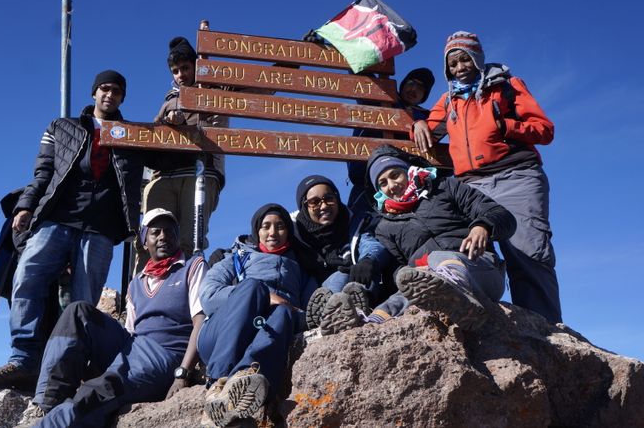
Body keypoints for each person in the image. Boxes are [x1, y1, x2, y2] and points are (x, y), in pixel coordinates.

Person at [0, 70, 147, 391]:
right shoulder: (62, 126)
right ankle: (24, 359)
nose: (109, 95)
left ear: (123, 98)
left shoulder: (131, 135)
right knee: (27, 278)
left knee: (81, 303)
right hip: (57, 218)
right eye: (104, 89)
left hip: (100, 229)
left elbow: (165, 156)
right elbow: (43, 169)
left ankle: (65, 369)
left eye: (116, 91)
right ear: (94, 93)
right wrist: (26, 205)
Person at [412, 31, 561, 323]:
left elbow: (545, 129)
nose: (459, 68)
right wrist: (418, 123)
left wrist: (504, 126)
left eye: (464, 59)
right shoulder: (448, 100)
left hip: (516, 176)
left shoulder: (507, 86)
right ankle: (485, 322)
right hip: (472, 186)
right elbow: (429, 129)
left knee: (527, 253)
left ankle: (544, 330)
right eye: (452, 64)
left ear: (477, 58)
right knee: (472, 253)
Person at [15, 209, 206, 427]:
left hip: (163, 354)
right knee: (78, 312)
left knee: (99, 390)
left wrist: (182, 373)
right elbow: (130, 332)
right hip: (133, 346)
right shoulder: (136, 284)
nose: (163, 236)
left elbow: (200, 322)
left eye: (169, 231)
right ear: (145, 241)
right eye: (155, 232)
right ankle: (47, 404)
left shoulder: (193, 267)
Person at [319, 145, 516, 334]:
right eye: (383, 183)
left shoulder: (446, 187)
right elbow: (399, 272)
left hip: (480, 268)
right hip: (430, 280)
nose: (392, 185)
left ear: (408, 169)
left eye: (395, 174)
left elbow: (502, 215)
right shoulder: (385, 227)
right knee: (399, 293)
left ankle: (461, 300)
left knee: (438, 258)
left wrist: (483, 226)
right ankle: (366, 325)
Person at [197, 203, 315, 427]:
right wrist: (264, 296)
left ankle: (244, 380)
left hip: (262, 332)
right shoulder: (236, 259)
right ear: (256, 231)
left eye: (280, 226)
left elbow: (307, 315)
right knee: (253, 287)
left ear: (288, 231)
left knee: (284, 312)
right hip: (220, 334)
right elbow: (209, 295)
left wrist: (289, 309)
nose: (273, 233)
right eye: (266, 226)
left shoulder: (300, 270)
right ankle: (216, 385)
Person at [135, 37, 228, 273]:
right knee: (150, 240)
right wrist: (168, 122)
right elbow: (153, 137)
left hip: (201, 171)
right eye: (175, 70)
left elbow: (255, 85)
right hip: (164, 175)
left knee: (190, 241)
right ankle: (143, 299)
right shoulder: (168, 101)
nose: (180, 74)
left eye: (185, 68)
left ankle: (186, 298)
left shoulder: (217, 92)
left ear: (196, 66)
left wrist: (290, 63)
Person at [291, 175, 393, 331]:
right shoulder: (295, 237)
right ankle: (331, 309)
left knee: (361, 269)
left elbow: (370, 244)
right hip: (315, 293)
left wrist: (369, 260)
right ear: (304, 206)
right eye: (314, 202)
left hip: (358, 282)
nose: (323, 206)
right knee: (339, 276)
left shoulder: (354, 221)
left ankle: (351, 304)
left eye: (328, 198)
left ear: (337, 198)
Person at [347, 68, 435, 217]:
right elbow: (362, 73)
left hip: (408, 186)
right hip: (365, 177)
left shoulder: (428, 117)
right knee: (360, 227)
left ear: (424, 96)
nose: (414, 88)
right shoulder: (380, 99)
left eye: (421, 87)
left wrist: (420, 121)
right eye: (411, 82)